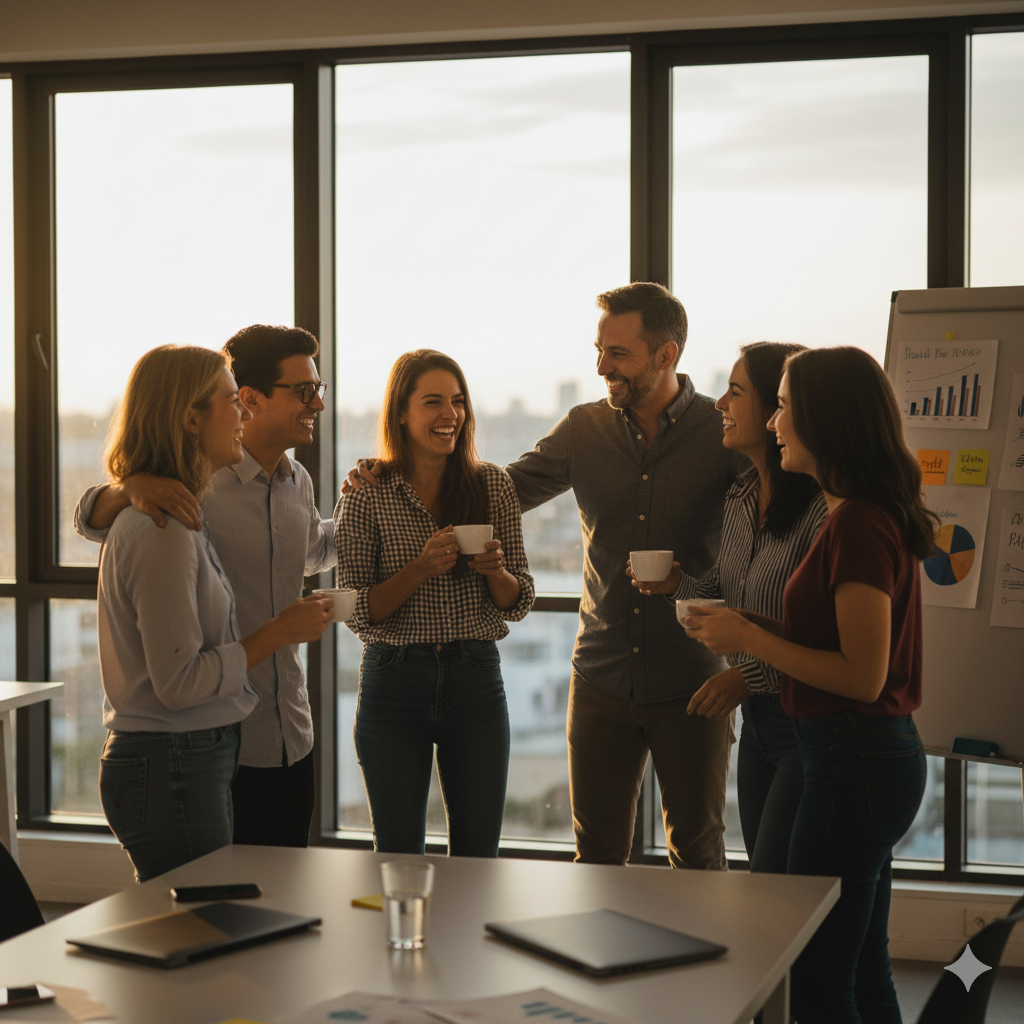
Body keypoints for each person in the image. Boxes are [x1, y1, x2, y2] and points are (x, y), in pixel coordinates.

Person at [346, 284, 747, 869]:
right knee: (598, 854)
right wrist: (393, 472)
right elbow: (499, 486)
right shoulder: (584, 429)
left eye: (618, 353)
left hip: (693, 677)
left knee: (698, 850)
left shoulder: (720, 432)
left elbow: (777, 508)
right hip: (602, 677)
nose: (602, 365)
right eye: (600, 349)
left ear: (667, 355)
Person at [683, 346, 935, 1023]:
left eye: (785, 406)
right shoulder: (863, 513)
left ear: (825, 419)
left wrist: (749, 641)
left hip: (851, 757)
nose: (773, 423)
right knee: (861, 971)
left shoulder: (854, 522)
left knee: (817, 977)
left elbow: (861, 673)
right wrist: (745, 622)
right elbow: (831, 639)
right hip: (864, 756)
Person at [76, 325, 336, 848]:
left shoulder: (299, 481)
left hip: (289, 733)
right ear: (251, 398)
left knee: (270, 903)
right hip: (212, 743)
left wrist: (367, 502)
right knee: (216, 906)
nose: (317, 404)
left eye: (319, 389)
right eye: (303, 391)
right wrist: (125, 488)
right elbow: (95, 522)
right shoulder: (185, 493)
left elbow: (309, 551)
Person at [629, 341, 826, 873]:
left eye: (736, 392)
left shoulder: (823, 512)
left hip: (806, 723)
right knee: (768, 878)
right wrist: (676, 584)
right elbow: (724, 590)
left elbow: (829, 634)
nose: (719, 403)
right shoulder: (741, 495)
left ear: (776, 411)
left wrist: (749, 676)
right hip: (760, 726)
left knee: (780, 888)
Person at [334, 349, 534, 857]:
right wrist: (420, 567)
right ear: (401, 411)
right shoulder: (366, 493)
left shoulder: (493, 485)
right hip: (393, 680)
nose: (450, 414)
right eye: (433, 402)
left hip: (475, 678)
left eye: (458, 401)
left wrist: (498, 573)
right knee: (397, 853)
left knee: (478, 854)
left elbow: (519, 600)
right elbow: (359, 611)